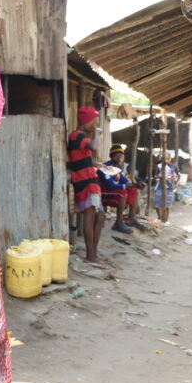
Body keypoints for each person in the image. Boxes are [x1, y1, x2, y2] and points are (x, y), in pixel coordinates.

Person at [68, 106, 105, 266]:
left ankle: (93, 253)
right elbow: (94, 146)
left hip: (88, 181)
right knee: (91, 216)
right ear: (85, 121)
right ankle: (91, 255)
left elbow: (79, 158)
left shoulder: (76, 136)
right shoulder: (79, 135)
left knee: (100, 216)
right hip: (87, 183)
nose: (95, 125)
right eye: (93, 122)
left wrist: (92, 164)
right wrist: (97, 134)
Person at [154, 151, 181, 223]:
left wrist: (175, 182)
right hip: (160, 187)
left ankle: (166, 220)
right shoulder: (159, 166)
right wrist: (160, 176)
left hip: (170, 187)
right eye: (165, 159)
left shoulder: (174, 166)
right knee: (157, 204)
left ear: (170, 158)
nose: (166, 160)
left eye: (168, 158)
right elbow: (155, 176)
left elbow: (178, 175)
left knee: (168, 205)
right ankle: (159, 217)